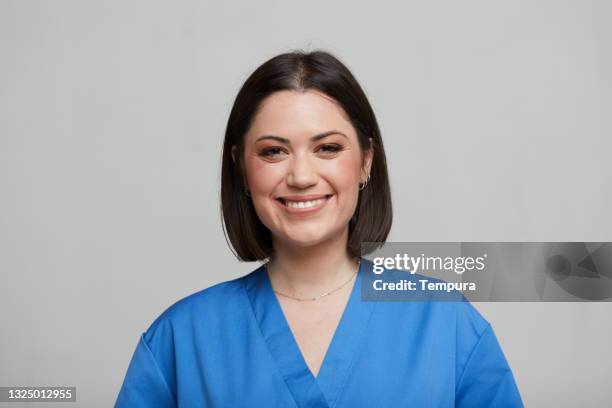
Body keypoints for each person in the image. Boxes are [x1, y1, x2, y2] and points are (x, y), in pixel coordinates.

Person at [115, 50, 523, 407]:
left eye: (327, 148)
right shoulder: (181, 340)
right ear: (240, 167)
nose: (301, 176)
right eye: (273, 151)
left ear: (366, 161)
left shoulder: (444, 325)